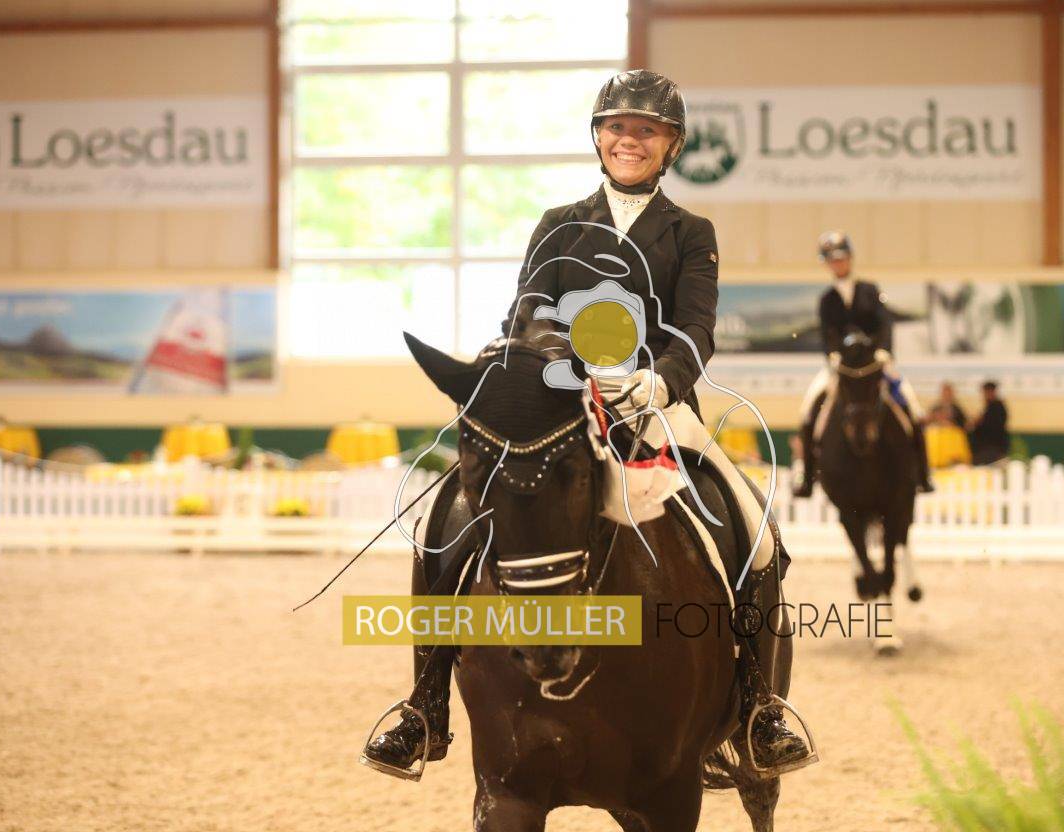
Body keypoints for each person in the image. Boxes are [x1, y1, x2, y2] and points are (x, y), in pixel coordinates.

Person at [362, 69, 809, 779]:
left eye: (646, 130)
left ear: (671, 145)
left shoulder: (691, 232)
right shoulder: (558, 223)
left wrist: (657, 379)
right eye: (617, 127)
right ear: (598, 138)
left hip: (655, 408)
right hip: (559, 404)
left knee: (756, 532)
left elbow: (696, 327)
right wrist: (554, 366)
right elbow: (528, 309)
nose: (630, 140)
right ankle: (425, 705)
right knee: (442, 518)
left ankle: (759, 706)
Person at [791, 231, 934, 496]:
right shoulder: (827, 300)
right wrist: (832, 355)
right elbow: (827, 334)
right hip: (842, 368)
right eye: (832, 260)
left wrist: (884, 351)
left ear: (850, 258)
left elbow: (885, 324)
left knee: (912, 407)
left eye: (841, 258)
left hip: (874, 365)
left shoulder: (869, 290)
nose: (838, 263)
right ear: (827, 264)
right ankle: (807, 478)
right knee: (808, 411)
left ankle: (924, 475)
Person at [968, 381, 1010, 465]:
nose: (985, 395)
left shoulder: (997, 407)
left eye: (986, 392)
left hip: (992, 449)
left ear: (992, 392)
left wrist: (978, 422)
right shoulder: (989, 407)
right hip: (988, 449)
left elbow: (992, 427)